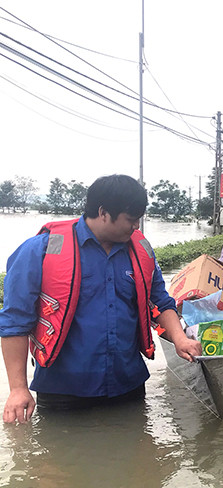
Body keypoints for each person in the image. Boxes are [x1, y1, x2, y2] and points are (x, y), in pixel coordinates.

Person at [0, 174, 201, 424]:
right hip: (63, 391)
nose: (136, 226)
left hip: (128, 386)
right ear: (103, 212)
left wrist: (180, 338)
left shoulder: (141, 250)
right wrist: (18, 389)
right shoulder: (40, 250)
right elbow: (14, 321)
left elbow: (159, 301)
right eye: (131, 219)